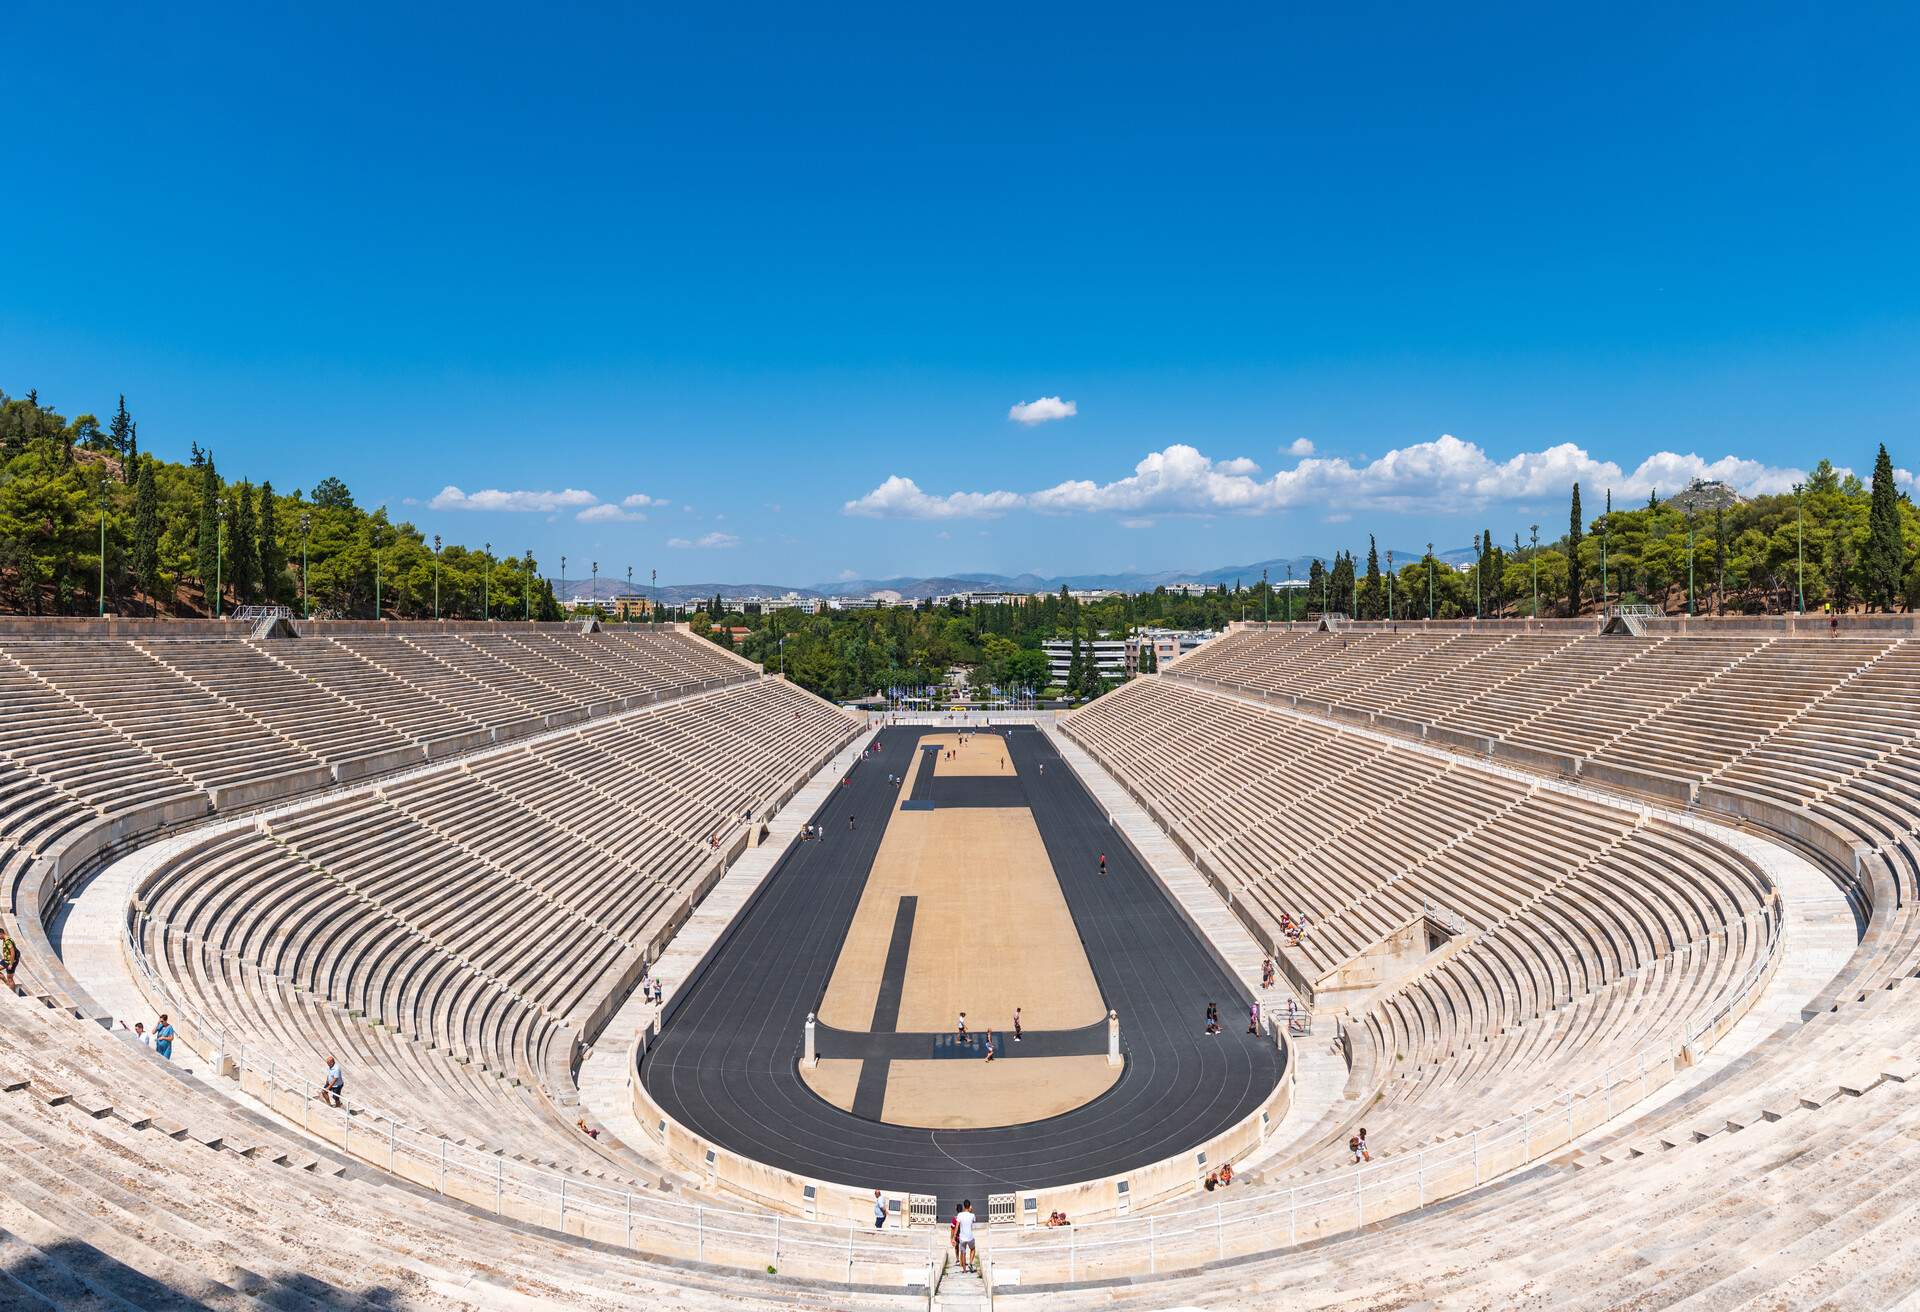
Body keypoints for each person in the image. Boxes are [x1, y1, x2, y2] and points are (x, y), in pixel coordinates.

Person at [954, 1201, 977, 1273]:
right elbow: (973, 1221)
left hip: (962, 1237)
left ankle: (964, 1270)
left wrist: (954, 1237)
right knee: (972, 1249)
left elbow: (957, 1226)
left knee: (963, 1253)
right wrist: (971, 1211)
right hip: (970, 1236)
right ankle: (970, 1263)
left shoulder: (959, 1215)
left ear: (964, 1206)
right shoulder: (972, 1215)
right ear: (969, 1206)